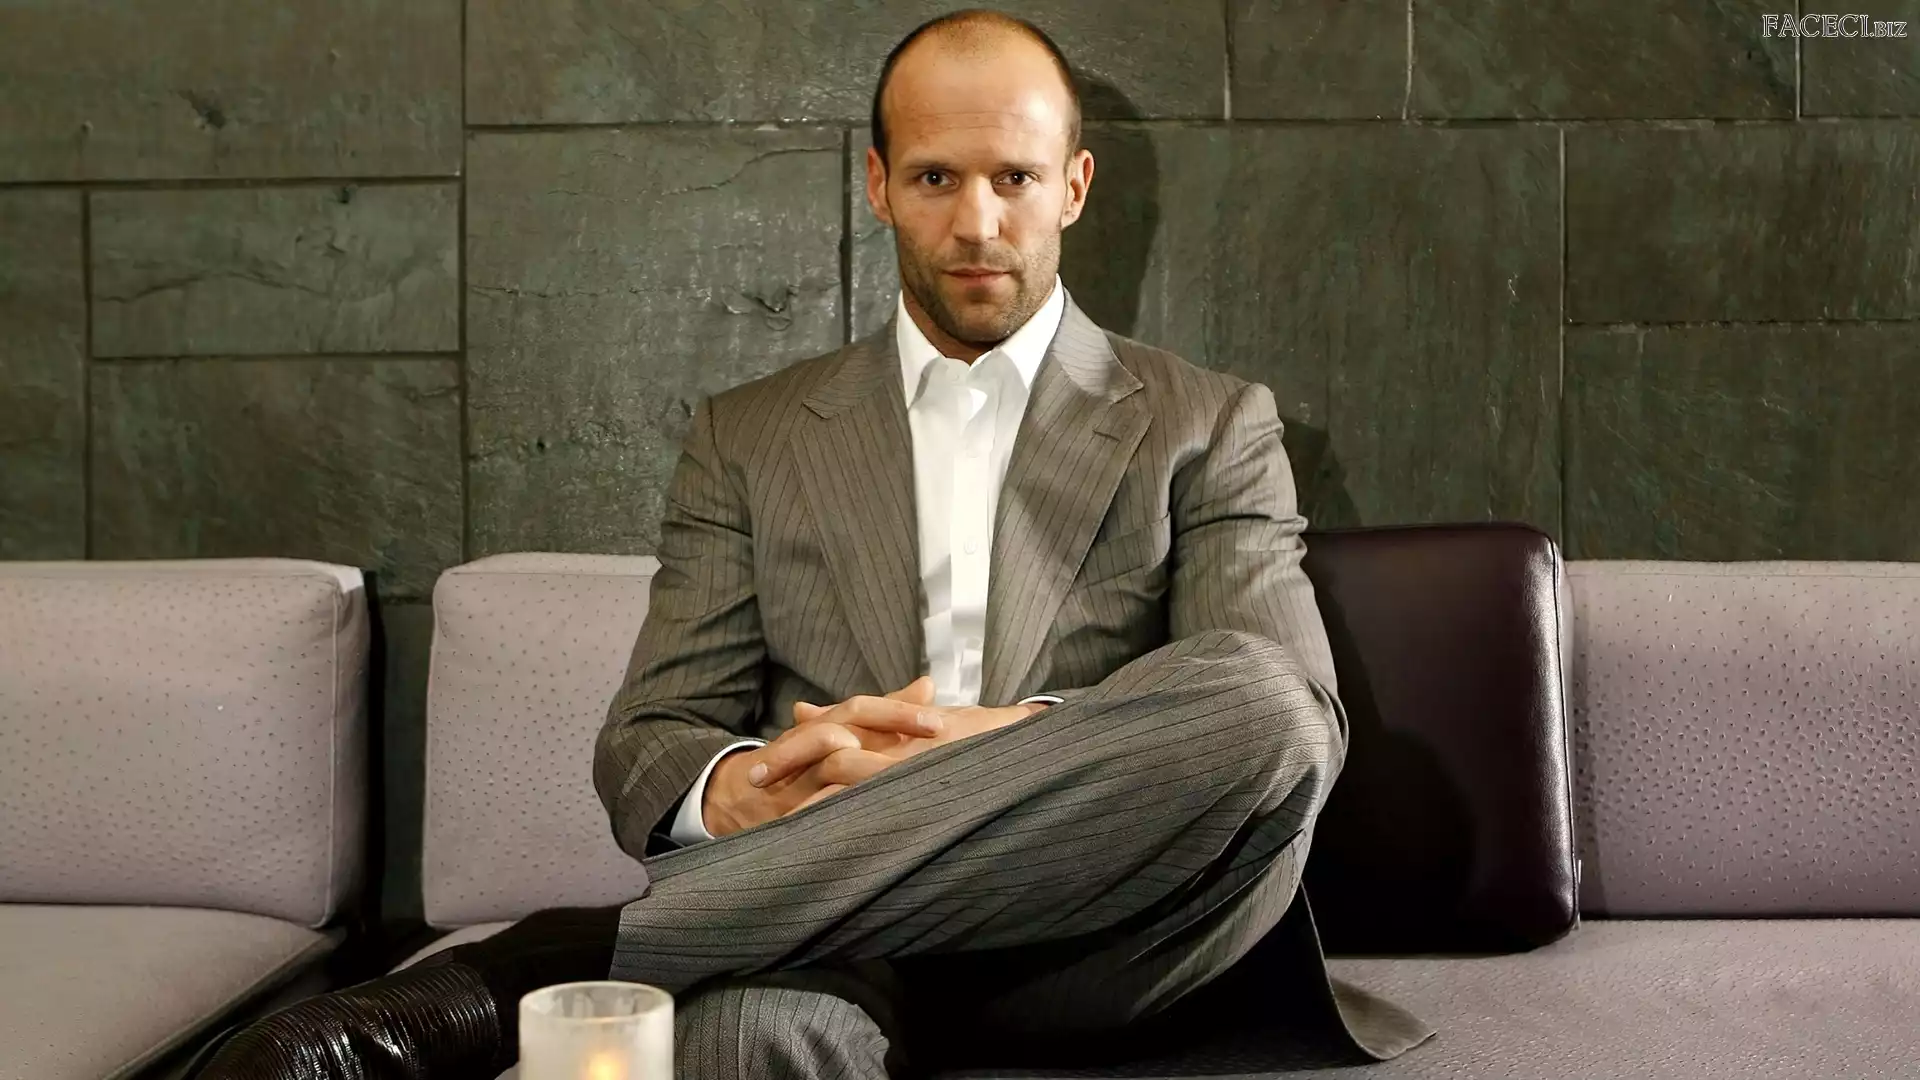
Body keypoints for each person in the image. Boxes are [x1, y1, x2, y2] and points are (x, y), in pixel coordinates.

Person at [191, 9, 1432, 1078]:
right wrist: (733, 786)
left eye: (1013, 177)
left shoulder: (1209, 421)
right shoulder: (751, 436)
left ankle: (552, 961)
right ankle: (690, 934)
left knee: (1262, 701)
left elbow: (1292, 728)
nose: (978, 222)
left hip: (1112, 934)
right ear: (878, 185)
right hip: (827, 949)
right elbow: (651, 734)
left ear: (1073, 186)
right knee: (741, 1042)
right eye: (937, 178)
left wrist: (970, 747)